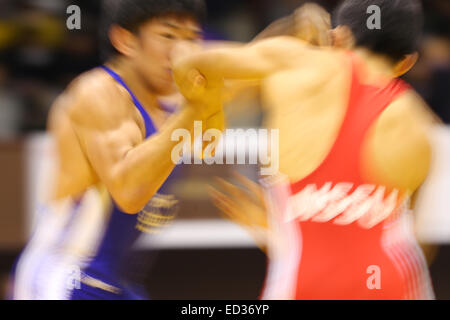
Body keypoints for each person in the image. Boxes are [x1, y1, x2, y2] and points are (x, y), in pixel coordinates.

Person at [175, 0, 439, 299]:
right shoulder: (419, 121)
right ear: (407, 62)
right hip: (394, 282)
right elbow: (411, 240)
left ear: (336, 37)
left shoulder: (296, 63)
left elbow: (186, 61)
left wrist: (211, 109)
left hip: (306, 281)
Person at [11, 0, 221, 300]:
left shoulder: (167, 106)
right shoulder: (99, 92)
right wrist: (195, 108)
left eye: (191, 38)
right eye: (168, 36)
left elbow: (255, 63)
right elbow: (128, 191)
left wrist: (297, 37)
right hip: (68, 280)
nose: (182, 51)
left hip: (121, 282)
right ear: (125, 40)